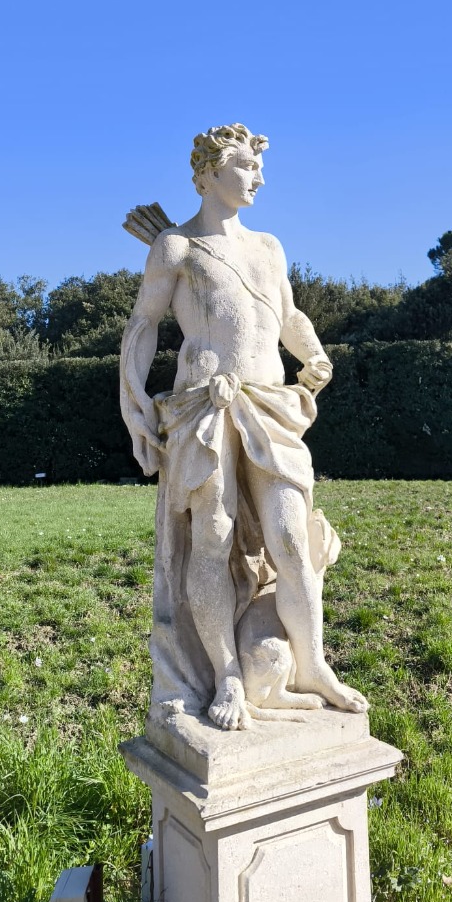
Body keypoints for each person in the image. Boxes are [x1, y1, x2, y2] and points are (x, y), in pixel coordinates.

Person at [120, 123, 367, 731]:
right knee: (214, 536)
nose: (257, 177)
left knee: (291, 538)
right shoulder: (174, 246)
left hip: (270, 404)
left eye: (259, 166)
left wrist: (313, 354)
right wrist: (134, 404)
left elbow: (286, 313)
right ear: (207, 173)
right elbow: (144, 326)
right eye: (244, 166)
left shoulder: (269, 247)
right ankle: (228, 673)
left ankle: (312, 666)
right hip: (204, 406)